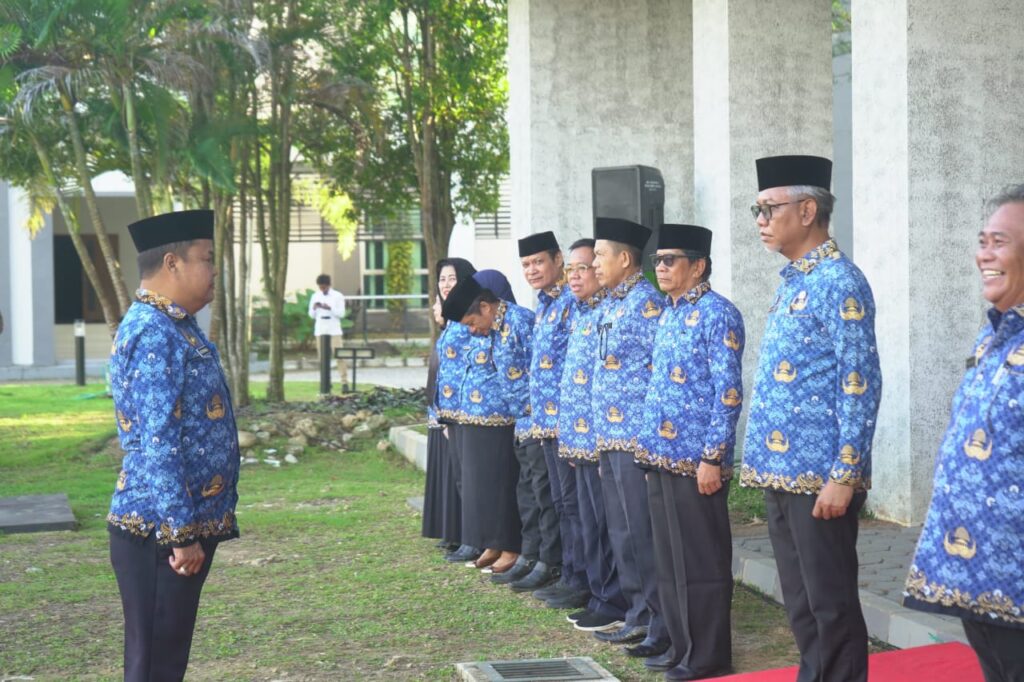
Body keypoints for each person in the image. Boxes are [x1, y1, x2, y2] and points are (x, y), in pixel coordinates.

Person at [742, 155, 881, 682]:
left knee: (831, 603)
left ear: (806, 210)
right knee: (800, 602)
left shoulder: (840, 281)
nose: (760, 220)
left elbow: (859, 382)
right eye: (756, 210)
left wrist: (845, 473)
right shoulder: (794, 281)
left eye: (768, 208)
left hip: (820, 476)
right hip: (781, 472)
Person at [107, 209, 240, 682]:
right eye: (206, 258)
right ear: (172, 263)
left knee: (165, 660)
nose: (214, 271)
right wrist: (181, 535)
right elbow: (157, 441)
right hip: (158, 530)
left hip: (175, 527)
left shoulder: (177, 324)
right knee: (155, 665)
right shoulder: (153, 330)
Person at [903, 185, 1024, 682]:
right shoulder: (994, 334)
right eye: (982, 241)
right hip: (977, 571)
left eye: (1000, 242)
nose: (984, 255)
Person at [635, 224, 743, 679]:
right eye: (656, 260)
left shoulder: (718, 313)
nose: (660, 268)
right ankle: (681, 648)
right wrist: (646, 452)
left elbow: (728, 392)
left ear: (697, 266)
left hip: (697, 461)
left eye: (669, 260)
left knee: (700, 563)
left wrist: (713, 457)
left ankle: (707, 656)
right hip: (661, 457)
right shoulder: (669, 312)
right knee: (669, 562)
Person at [589, 216, 667, 652]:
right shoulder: (609, 304)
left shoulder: (647, 304)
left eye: (600, 255)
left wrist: (650, 443)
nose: (594, 264)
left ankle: (660, 619)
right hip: (610, 439)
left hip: (636, 440)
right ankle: (637, 613)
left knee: (642, 532)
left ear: (624, 259)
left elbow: (661, 375)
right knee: (622, 533)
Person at [556, 238, 629, 632]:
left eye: (585, 266)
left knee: (606, 524)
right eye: (571, 269)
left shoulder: (609, 312)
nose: (577, 275)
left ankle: (612, 599)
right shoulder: (582, 313)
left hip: (603, 439)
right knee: (587, 521)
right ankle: (599, 593)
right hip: (580, 439)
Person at [440, 273, 532, 573]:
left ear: (485, 307)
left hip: (521, 418)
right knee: (488, 486)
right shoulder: (492, 328)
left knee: (507, 486)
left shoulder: (520, 321)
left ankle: (512, 547)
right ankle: (495, 542)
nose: (472, 330)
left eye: (471, 322)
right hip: (507, 416)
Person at [507, 231, 579, 598]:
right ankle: (563, 569)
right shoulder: (544, 304)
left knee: (570, 504)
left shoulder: (572, 301)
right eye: (525, 265)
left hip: (568, 423)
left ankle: (571, 573)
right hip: (543, 423)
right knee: (557, 501)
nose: (532, 270)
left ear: (558, 259)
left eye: (538, 262)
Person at [423, 258, 477, 553]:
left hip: (465, 412)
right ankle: (453, 531)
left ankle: (470, 537)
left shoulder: (470, 322)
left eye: (452, 278)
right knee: (453, 474)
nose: (446, 284)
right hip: (444, 410)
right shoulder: (450, 323)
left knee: (466, 477)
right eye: (442, 279)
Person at [308, 274, 349, 391]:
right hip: (320, 329)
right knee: (322, 358)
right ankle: (326, 381)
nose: (322, 289)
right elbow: (311, 315)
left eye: (324, 287)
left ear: (329, 285)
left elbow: (341, 313)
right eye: (320, 287)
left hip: (334, 329)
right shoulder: (315, 296)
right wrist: (315, 308)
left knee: (339, 356)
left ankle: (344, 382)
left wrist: (330, 308)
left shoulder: (337, 296)